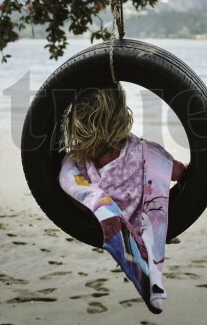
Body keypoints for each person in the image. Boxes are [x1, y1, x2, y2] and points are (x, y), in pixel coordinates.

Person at [57, 85, 185, 313]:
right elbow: (175, 172)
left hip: (97, 214)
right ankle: (157, 244)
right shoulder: (144, 151)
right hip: (139, 216)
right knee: (157, 183)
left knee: (70, 177)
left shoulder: (78, 159)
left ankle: (107, 210)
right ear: (123, 117)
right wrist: (191, 173)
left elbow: (66, 186)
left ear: (77, 123)